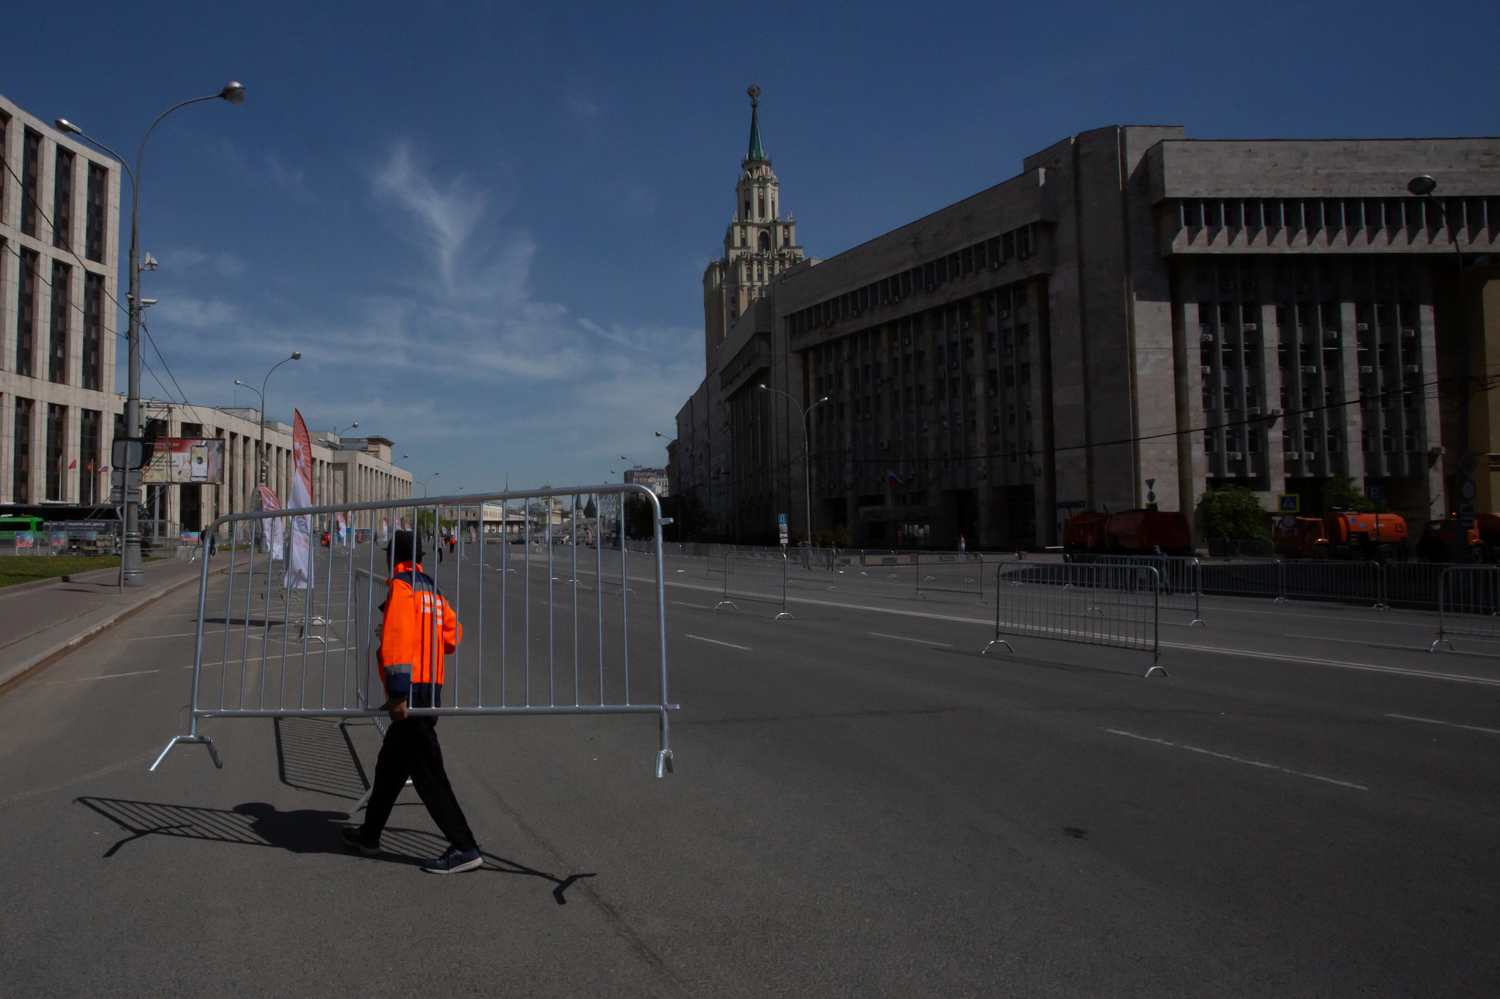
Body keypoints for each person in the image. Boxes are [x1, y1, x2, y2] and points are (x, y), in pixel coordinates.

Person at [342, 530, 481, 874]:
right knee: (390, 766)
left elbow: (399, 641)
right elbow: (453, 636)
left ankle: (465, 846)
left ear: (395, 556)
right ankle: (370, 835)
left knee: (426, 770)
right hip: (430, 685)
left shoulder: (402, 588)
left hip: (411, 690)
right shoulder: (432, 589)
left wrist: (398, 693)